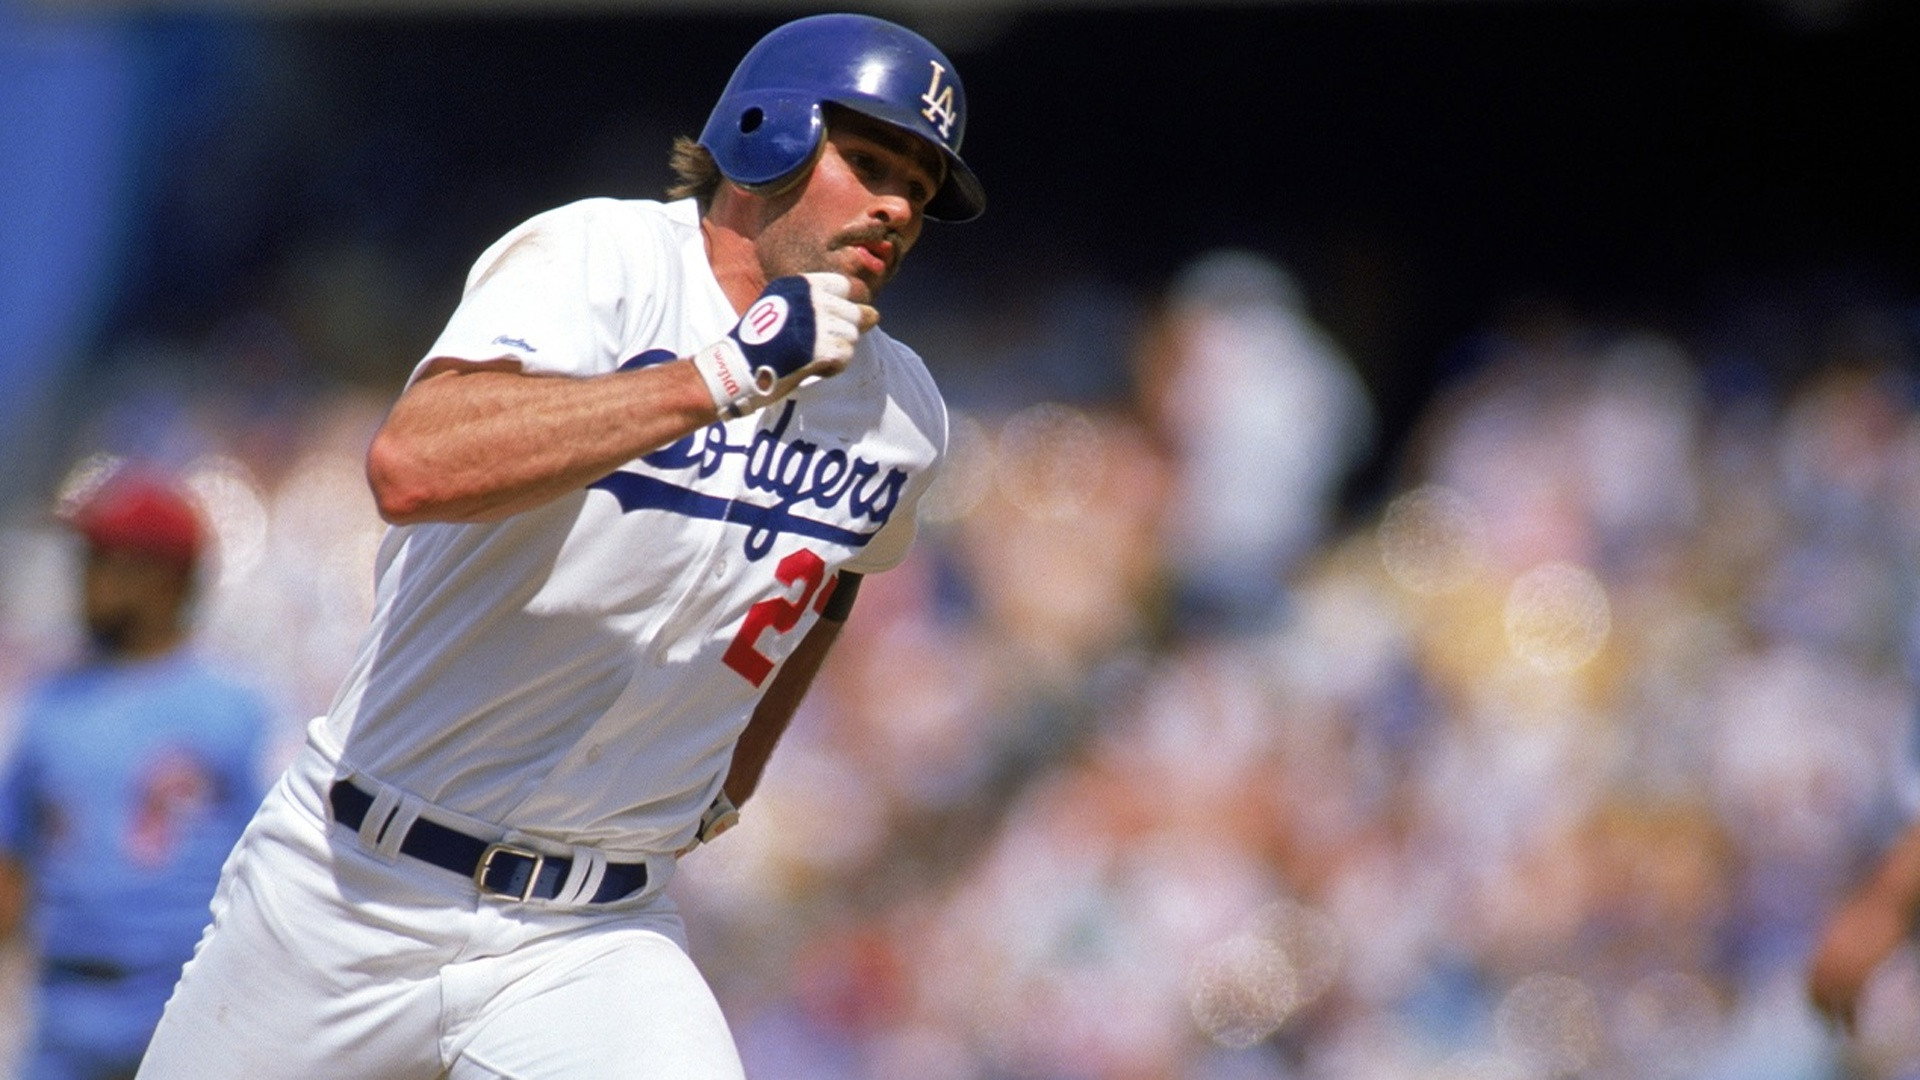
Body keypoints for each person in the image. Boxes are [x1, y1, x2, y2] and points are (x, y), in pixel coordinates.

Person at [134, 12, 982, 1079]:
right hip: (353, 887)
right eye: (870, 163)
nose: (898, 206)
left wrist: (737, 775)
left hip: (594, 934)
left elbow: (840, 580)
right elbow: (412, 466)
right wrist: (717, 376)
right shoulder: (602, 259)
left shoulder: (901, 412)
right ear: (768, 133)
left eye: (919, 186)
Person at [0, 468, 273, 1080]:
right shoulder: (49, 706)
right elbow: (11, 865)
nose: (86, 577)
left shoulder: (234, 709)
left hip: (187, 1005)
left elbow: (272, 869)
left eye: (107, 559)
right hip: (67, 1010)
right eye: (86, 558)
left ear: (167, 577)